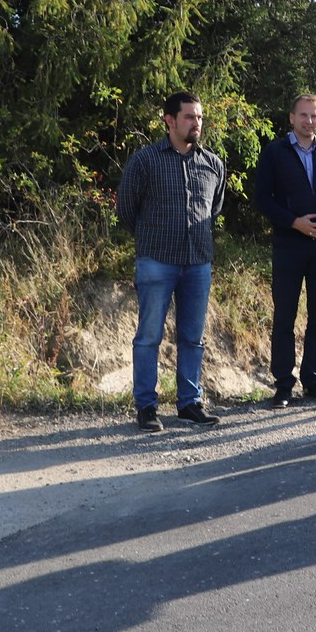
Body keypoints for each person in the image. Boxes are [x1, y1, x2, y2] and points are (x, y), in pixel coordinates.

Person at [116, 90, 226, 432]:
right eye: (190, 117)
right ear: (170, 121)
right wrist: (153, 240)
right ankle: (146, 407)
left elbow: (214, 209)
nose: (197, 123)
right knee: (149, 337)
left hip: (198, 263)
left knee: (193, 337)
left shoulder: (213, 164)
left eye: (200, 117)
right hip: (157, 262)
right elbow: (126, 211)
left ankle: (189, 403)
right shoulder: (145, 161)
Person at [253, 93, 316, 408]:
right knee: (285, 316)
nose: (309, 121)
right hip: (289, 244)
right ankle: (283, 386)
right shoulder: (275, 152)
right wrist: (293, 222)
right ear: (291, 118)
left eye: (314, 116)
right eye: (303, 115)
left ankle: (313, 382)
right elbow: (262, 198)